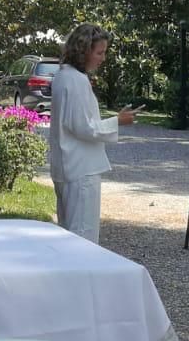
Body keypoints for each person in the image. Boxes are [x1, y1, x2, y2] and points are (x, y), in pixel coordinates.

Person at [49, 23, 136, 243]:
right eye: (100, 52)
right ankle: (82, 276)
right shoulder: (76, 80)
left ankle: (72, 276)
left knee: (70, 232)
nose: (102, 58)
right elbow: (83, 127)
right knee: (82, 236)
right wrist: (118, 121)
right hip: (80, 169)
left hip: (68, 166)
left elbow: (76, 123)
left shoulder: (62, 76)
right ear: (84, 50)